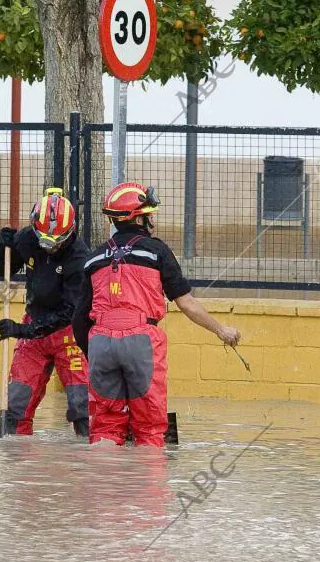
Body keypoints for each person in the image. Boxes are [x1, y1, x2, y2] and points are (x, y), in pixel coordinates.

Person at [73, 182, 241, 447]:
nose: (152, 218)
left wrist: (93, 352)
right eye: (149, 213)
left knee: (105, 426)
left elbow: (79, 319)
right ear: (138, 218)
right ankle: (147, 486)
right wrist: (221, 330)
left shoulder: (93, 258)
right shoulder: (157, 251)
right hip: (141, 342)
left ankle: (103, 485)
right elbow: (186, 303)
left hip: (100, 344)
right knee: (149, 428)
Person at [0, 187, 90, 437]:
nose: (49, 248)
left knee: (82, 406)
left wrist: (22, 330)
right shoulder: (28, 239)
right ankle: (17, 464)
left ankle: (88, 462)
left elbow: (69, 311)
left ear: (71, 230)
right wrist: (0, 249)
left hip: (69, 332)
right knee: (16, 406)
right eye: (44, 240)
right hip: (34, 328)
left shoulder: (79, 258)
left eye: (57, 242)